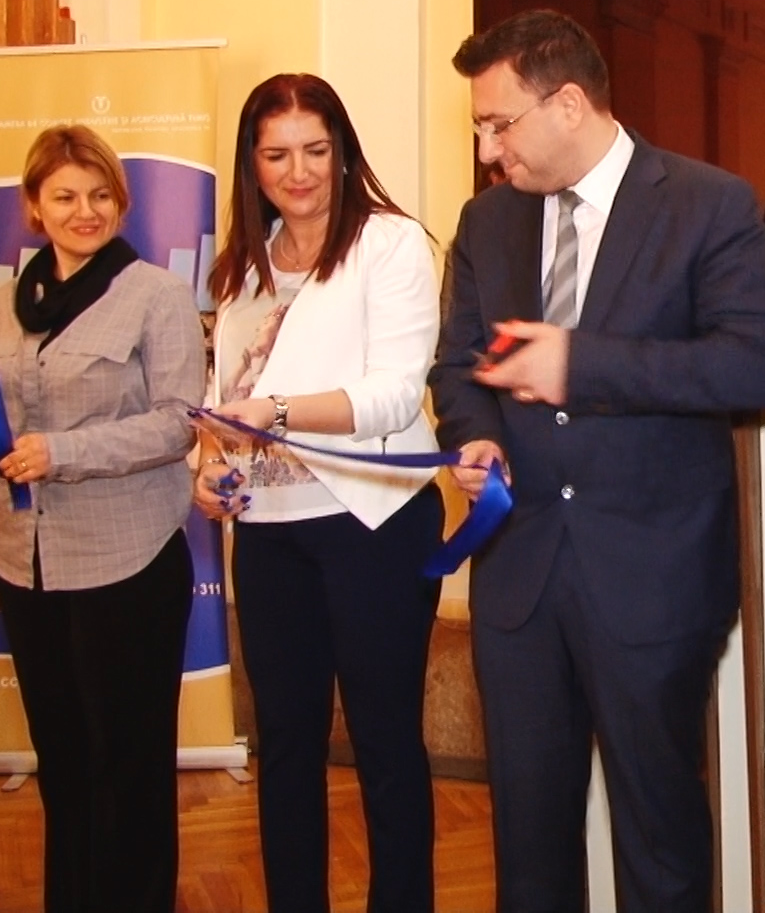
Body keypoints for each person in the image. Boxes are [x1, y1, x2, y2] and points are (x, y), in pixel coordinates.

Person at [430, 8, 765, 911]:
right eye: (479, 128)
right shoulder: (486, 222)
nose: (487, 150)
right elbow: (456, 367)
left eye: (499, 124)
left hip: (652, 580)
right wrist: (474, 435)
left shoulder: (708, 204)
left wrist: (578, 366)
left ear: (568, 105)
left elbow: (747, 364)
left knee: (659, 844)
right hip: (520, 581)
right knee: (529, 850)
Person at [194, 73, 444, 913]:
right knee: (286, 745)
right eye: (276, 155)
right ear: (251, 164)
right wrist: (210, 463)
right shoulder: (241, 266)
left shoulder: (390, 244)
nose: (297, 172)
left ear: (342, 153)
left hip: (373, 522)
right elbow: (224, 396)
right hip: (270, 532)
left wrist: (275, 412)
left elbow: (394, 396)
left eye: (314, 150)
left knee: (384, 741)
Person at [0, 125, 201, 913]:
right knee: (63, 761)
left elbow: (179, 424)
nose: (84, 211)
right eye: (64, 197)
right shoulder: (8, 303)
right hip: (25, 564)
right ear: (34, 207)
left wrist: (63, 453)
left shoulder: (156, 294)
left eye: (99, 195)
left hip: (128, 562)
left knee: (129, 766)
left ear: (121, 203)